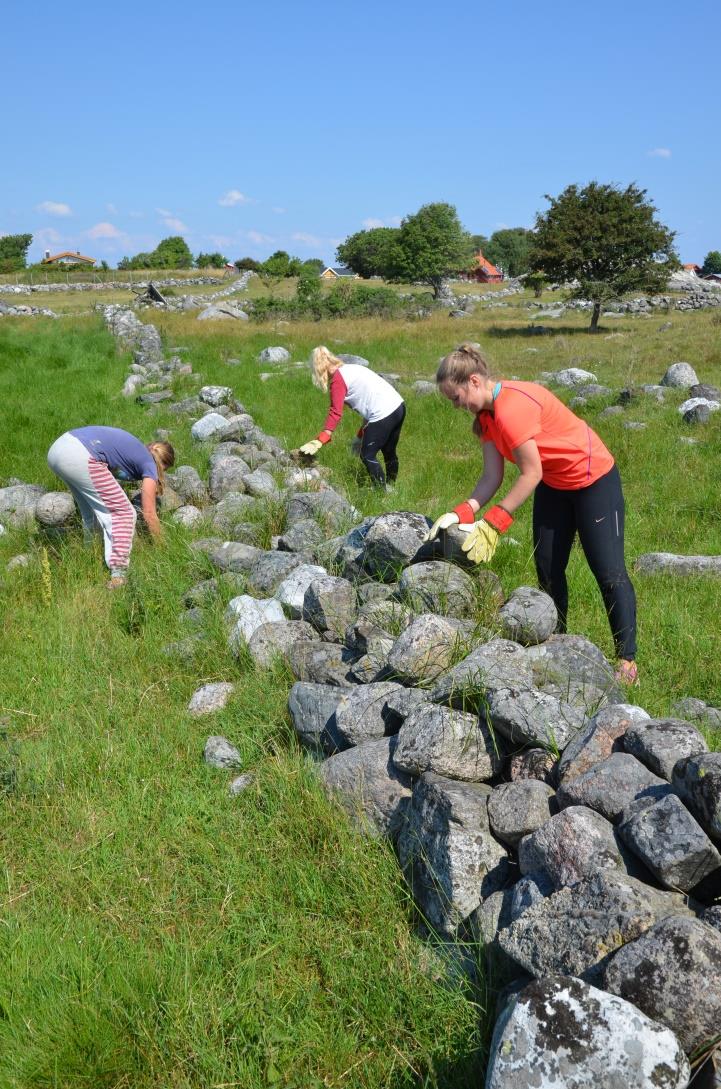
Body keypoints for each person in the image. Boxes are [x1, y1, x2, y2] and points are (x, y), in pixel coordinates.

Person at [425, 344, 638, 686]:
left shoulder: (511, 409)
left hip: (593, 480)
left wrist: (497, 522)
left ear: (475, 381)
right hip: (555, 484)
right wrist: (461, 512)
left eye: (456, 397)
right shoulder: (485, 420)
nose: (456, 405)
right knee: (548, 566)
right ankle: (557, 643)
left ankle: (627, 662)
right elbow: (491, 477)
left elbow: (530, 473)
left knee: (608, 572)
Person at [47, 426, 175, 588]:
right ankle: (118, 575)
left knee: (92, 514)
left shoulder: (135, 450)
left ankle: (90, 559)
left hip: (59, 448)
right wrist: (164, 548)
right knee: (124, 513)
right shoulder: (150, 463)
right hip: (80, 453)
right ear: (163, 465)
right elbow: (149, 514)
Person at [299, 346, 406, 488]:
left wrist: (321, 439)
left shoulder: (338, 379)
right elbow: (369, 404)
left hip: (383, 413)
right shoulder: (350, 369)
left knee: (367, 455)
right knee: (389, 451)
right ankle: (392, 487)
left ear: (319, 368)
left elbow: (335, 412)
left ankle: (382, 492)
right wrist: (361, 435)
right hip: (398, 406)